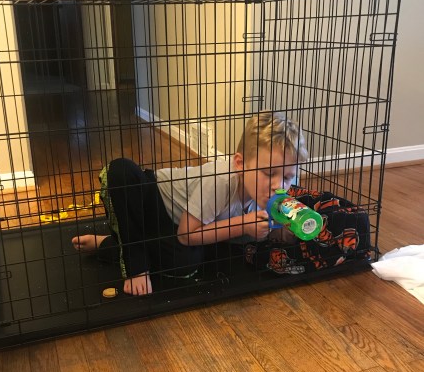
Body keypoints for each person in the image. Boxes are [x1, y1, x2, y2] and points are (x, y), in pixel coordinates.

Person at [72, 110, 308, 295]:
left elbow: (232, 235)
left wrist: (283, 232)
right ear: (240, 163)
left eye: (288, 177)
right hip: (151, 200)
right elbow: (187, 235)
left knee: (185, 264)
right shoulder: (221, 180)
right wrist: (244, 224)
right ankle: (135, 262)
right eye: (269, 173)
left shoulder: (268, 196)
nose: (279, 185)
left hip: (174, 227)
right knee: (121, 172)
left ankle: (108, 244)